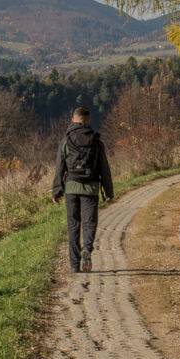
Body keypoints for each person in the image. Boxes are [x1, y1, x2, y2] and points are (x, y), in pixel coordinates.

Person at [52, 106, 114, 273]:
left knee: (73, 225)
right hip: (91, 188)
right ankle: (87, 248)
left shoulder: (65, 141)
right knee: (89, 223)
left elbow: (60, 168)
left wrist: (57, 190)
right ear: (87, 120)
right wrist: (109, 191)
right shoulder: (96, 141)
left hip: (71, 187)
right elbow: (104, 168)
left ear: (73, 119)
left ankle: (74, 265)